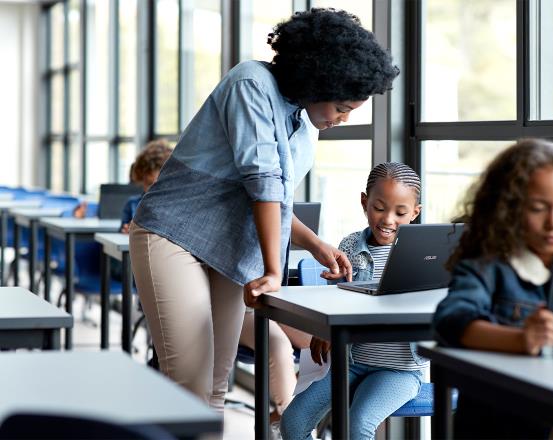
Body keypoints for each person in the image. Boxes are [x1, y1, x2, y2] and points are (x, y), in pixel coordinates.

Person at [128, 7, 399, 412]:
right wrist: (274, 272)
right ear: (318, 80)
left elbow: (279, 200)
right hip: (174, 235)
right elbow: (263, 181)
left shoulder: (306, 121)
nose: (343, 119)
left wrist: (317, 245)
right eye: (343, 107)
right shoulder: (250, 83)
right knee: (191, 385)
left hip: (231, 250)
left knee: (216, 389)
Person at [432, 138, 553, 439]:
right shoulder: (488, 268)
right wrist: (521, 339)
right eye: (538, 209)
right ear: (509, 209)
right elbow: (450, 321)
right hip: (504, 423)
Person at [280, 162, 426, 440]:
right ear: (364, 202)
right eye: (379, 208)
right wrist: (326, 329)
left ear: (415, 213)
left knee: (357, 425)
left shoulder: (421, 254)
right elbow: (338, 300)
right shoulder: (350, 246)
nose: (388, 220)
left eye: (401, 212)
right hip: (351, 362)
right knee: (293, 422)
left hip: (400, 371)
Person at [119, 140, 172, 233]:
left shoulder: (178, 207)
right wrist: (127, 230)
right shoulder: (132, 204)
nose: (152, 190)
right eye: (148, 183)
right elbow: (120, 233)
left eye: (158, 184)